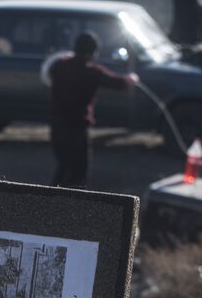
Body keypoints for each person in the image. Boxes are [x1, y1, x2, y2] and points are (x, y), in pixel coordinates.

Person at [47, 31, 137, 188]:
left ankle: (49, 198)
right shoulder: (92, 72)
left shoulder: (59, 66)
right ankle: (73, 200)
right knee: (78, 172)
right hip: (77, 129)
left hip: (57, 126)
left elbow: (49, 71)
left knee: (63, 167)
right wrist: (132, 79)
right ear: (93, 52)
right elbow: (119, 83)